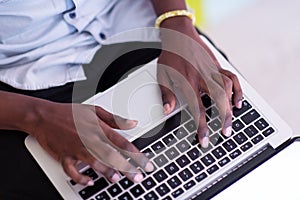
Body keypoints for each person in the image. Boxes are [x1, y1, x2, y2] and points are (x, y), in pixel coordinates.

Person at [0, 0, 242, 199]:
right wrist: (35, 116)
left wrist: (177, 22)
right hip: (21, 78)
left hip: (134, 18)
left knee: (229, 133)